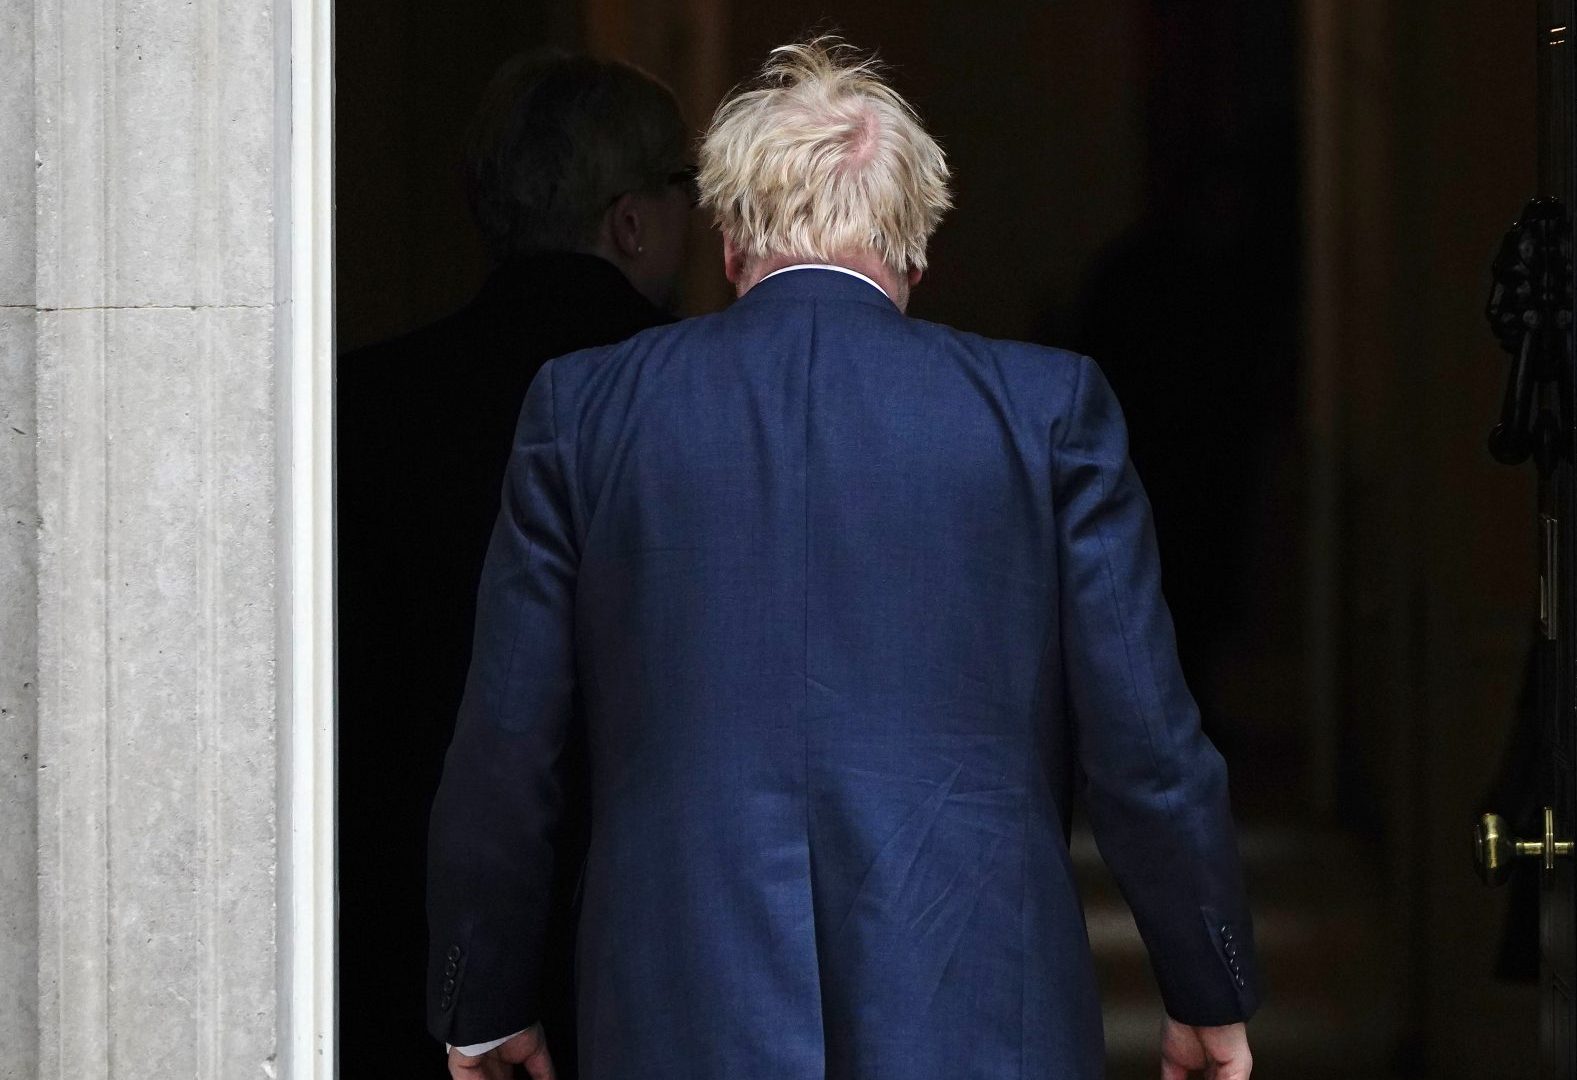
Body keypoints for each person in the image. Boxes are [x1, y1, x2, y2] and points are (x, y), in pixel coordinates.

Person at [425, 38, 1262, 1080]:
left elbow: (507, 745)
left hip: (681, 1008)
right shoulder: (1047, 412)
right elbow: (1145, 744)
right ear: (916, 249)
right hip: (980, 1008)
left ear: (729, 240)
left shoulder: (582, 411)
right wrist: (1205, 989)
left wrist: (485, 997)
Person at [335, 50, 691, 1080]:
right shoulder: (704, 411)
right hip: (649, 943)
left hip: (406, 938)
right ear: (630, 220)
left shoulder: (363, 405)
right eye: (686, 190)